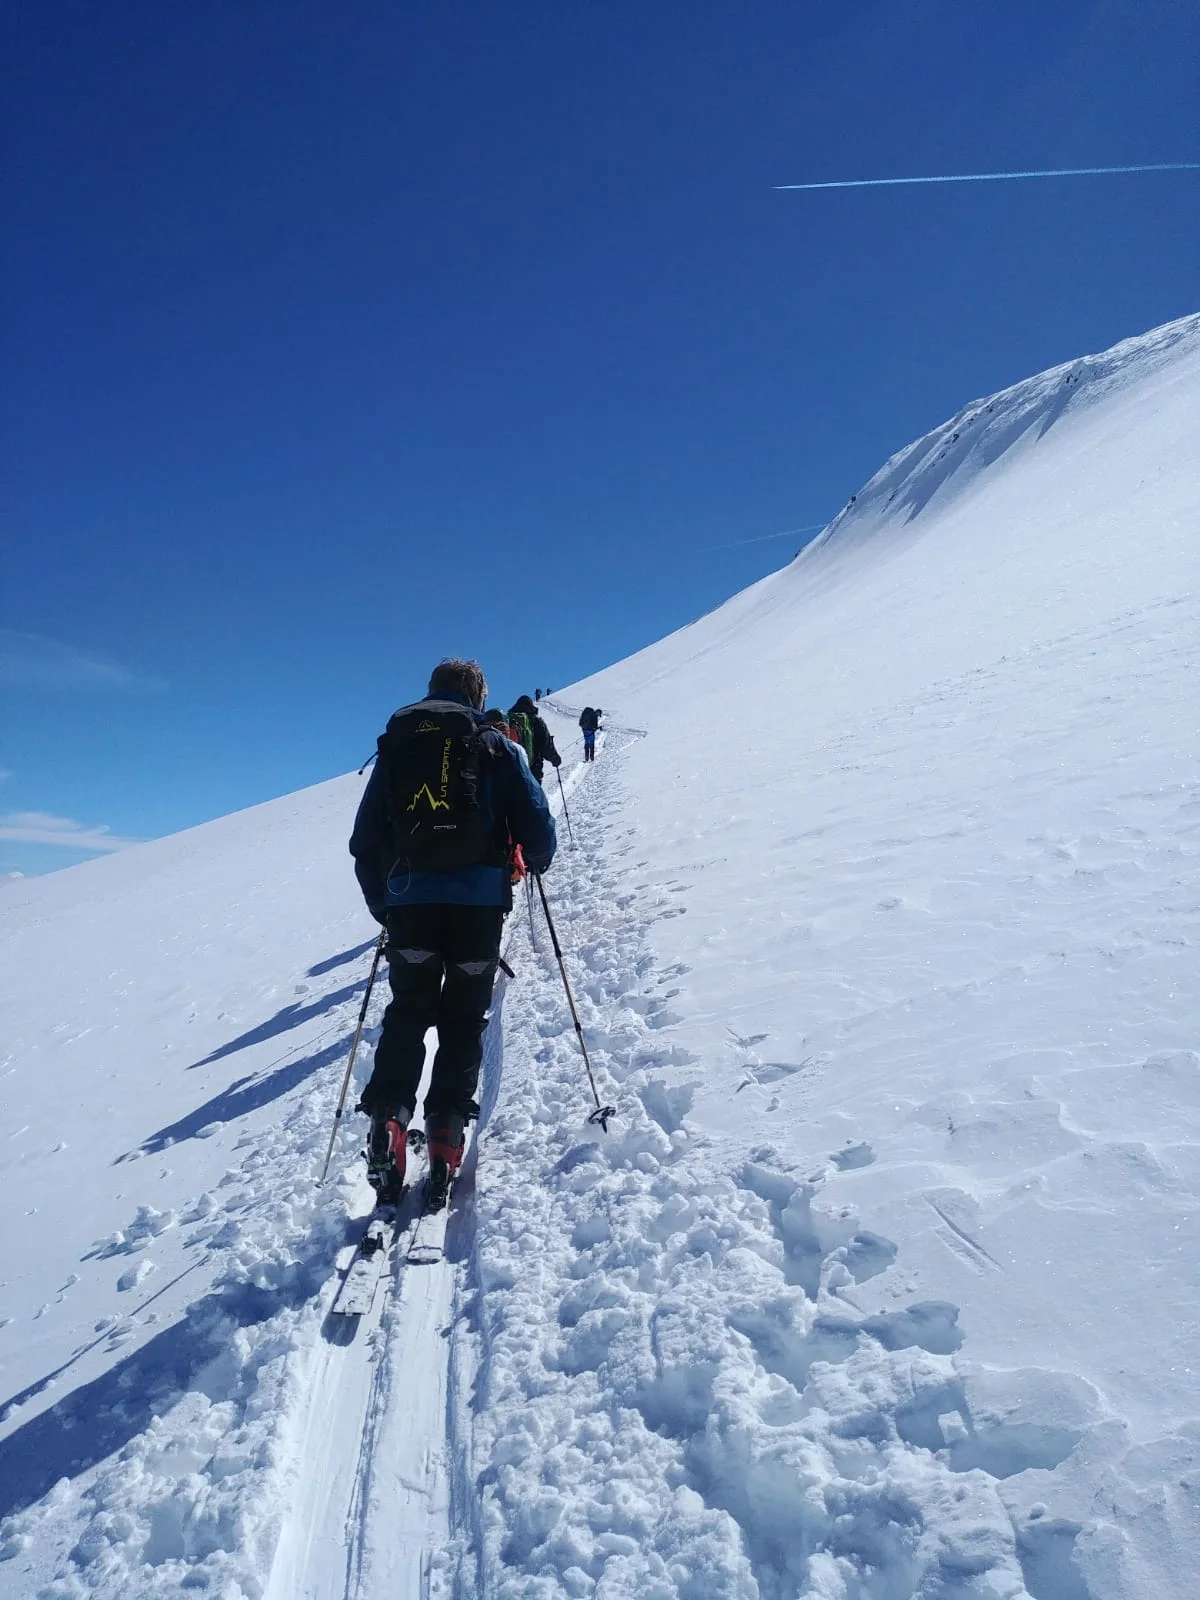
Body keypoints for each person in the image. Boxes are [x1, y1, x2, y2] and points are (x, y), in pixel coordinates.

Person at [350, 658, 556, 1207]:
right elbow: (538, 828)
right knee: (463, 1019)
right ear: (477, 694)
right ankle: (444, 1139)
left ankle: (390, 1123)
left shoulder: (397, 748)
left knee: (409, 1011)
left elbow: (365, 841)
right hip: (478, 909)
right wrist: (535, 861)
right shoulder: (495, 745)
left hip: (410, 904)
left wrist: (385, 906)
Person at [508, 694, 561, 785]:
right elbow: (545, 744)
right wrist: (555, 758)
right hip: (533, 769)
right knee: (533, 797)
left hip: (511, 770)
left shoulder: (508, 721)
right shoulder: (536, 721)